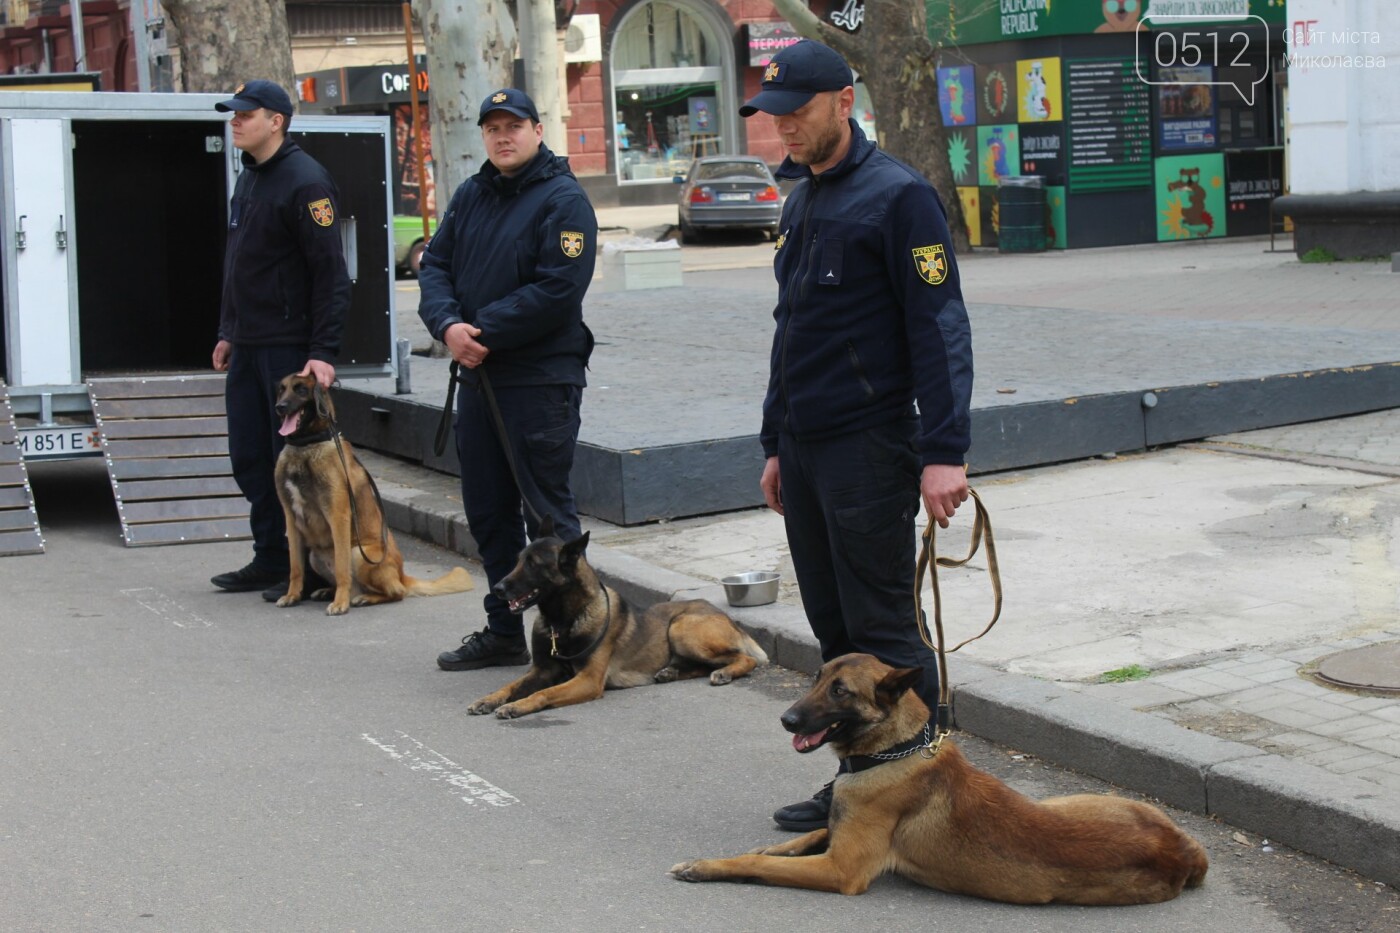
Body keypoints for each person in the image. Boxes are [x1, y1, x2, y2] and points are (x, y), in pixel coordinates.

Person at [740, 41, 974, 831]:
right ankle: (860, 781)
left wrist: (944, 449)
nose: (784, 131)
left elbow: (939, 326)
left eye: (796, 113)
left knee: (882, 631)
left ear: (843, 101)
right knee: (838, 637)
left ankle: (930, 786)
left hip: (869, 446)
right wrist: (775, 443)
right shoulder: (801, 198)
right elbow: (790, 330)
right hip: (806, 449)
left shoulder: (899, 197)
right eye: (774, 118)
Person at [418, 88, 597, 671]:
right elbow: (435, 264)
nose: (502, 136)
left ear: (538, 131)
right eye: (492, 127)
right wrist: (447, 325)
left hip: (538, 381)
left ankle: (573, 641)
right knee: (488, 511)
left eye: (513, 126)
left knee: (547, 519)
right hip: (477, 378)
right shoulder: (472, 194)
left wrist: (481, 329)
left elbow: (558, 288)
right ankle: (503, 631)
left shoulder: (564, 200)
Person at [209, 79, 350, 599]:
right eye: (233, 113)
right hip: (249, 344)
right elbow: (237, 267)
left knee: (291, 458)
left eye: (247, 113)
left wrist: (322, 352)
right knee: (250, 456)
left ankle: (309, 568)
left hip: (289, 350)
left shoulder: (305, 182)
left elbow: (330, 274)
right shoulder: (249, 179)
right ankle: (271, 556)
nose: (236, 121)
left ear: (277, 121)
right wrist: (228, 331)